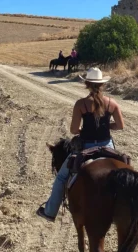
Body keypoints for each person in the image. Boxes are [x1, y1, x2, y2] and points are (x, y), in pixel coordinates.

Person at [37, 67, 124, 222]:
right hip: (107, 145)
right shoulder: (112, 103)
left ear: (87, 84)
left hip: (86, 146)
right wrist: (105, 126)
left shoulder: (81, 104)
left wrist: (85, 129)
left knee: (62, 177)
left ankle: (50, 212)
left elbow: (73, 130)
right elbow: (120, 126)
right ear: (102, 85)